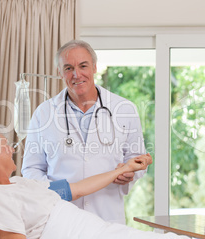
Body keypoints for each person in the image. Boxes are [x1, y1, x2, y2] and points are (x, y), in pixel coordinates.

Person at [0, 124, 186, 239]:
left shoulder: (17, 184)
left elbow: (77, 189)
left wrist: (124, 169)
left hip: (96, 230)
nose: (12, 149)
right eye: (5, 145)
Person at [22, 39, 152, 224]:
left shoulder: (124, 109)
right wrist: (56, 193)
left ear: (94, 67)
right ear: (59, 73)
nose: (77, 74)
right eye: (68, 68)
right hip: (60, 219)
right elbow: (31, 169)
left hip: (107, 218)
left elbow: (136, 159)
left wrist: (130, 174)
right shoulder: (44, 113)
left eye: (83, 66)